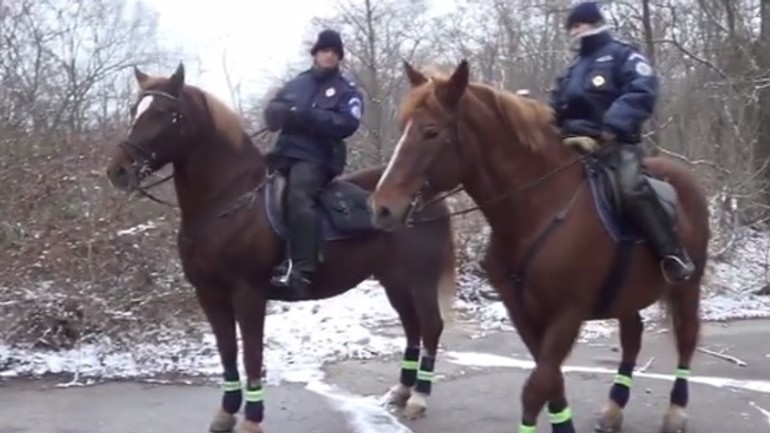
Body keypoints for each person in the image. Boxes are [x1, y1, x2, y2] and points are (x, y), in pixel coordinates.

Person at [549, 1, 695, 284]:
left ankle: (672, 254)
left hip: (614, 145)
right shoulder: (572, 70)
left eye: (581, 25)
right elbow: (556, 107)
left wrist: (611, 127)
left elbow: (642, 91)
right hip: (571, 147)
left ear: (595, 23)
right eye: (573, 27)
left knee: (630, 189)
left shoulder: (623, 56)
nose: (576, 31)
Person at [263, 29, 364, 297]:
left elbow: (347, 123)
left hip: (318, 157)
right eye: (325, 50)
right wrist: (275, 112)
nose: (329, 55)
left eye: (334, 52)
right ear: (316, 53)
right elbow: (275, 111)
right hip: (284, 153)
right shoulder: (297, 83)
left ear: (339, 57)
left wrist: (307, 117)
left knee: (299, 196)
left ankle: (302, 269)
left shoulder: (346, 91)